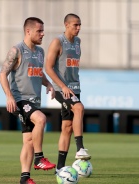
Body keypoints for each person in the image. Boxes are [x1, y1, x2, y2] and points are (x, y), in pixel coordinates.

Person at [0, 17, 56, 184]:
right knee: (41, 119)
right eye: (39, 31)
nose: (43, 34)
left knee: (29, 140)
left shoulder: (40, 52)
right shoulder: (16, 50)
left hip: (34, 101)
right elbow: (3, 74)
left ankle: (25, 177)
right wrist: (9, 96)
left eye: (43, 30)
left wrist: (49, 84)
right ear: (28, 31)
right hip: (20, 99)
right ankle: (39, 158)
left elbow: (38, 72)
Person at [45, 13, 91, 173]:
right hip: (61, 89)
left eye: (80, 25)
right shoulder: (58, 42)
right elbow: (48, 68)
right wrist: (62, 87)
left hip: (75, 88)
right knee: (79, 108)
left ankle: (59, 168)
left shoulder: (78, 42)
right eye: (75, 25)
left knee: (67, 126)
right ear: (66, 25)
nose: (78, 28)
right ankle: (80, 148)